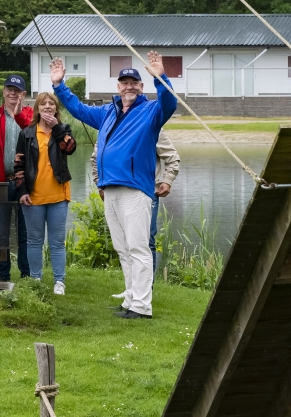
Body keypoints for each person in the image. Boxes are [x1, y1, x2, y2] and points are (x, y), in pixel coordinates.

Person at [51, 53, 177, 319]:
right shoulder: (107, 112)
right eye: (124, 82)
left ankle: (143, 306)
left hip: (135, 190)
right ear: (118, 87)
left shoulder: (151, 112)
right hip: (110, 190)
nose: (129, 86)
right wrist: (60, 86)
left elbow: (169, 102)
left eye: (134, 83)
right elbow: (78, 110)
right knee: (123, 248)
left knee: (139, 248)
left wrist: (161, 77)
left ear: (141, 87)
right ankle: (130, 300)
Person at [91, 129, 180, 274]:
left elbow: (172, 157)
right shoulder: (110, 125)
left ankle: (146, 289)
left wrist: (167, 180)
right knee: (123, 242)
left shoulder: (151, 125)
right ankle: (131, 287)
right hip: (115, 192)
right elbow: (96, 159)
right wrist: (100, 184)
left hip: (147, 191)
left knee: (145, 240)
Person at [14, 92, 77, 295]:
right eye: (44, 104)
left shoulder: (63, 130)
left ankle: (60, 281)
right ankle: (36, 278)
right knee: (34, 240)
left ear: (56, 109)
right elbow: (19, 164)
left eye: (52, 104)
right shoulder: (27, 133)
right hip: (34, 195)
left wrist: (57, 128)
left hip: (58, 195)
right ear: (38, 109)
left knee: (57, 241)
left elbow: (70, 148)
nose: (48, 107)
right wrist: (22, 190)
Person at [0, 74, 34, 282]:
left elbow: (34, 137)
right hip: (0, 180)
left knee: (26, 231)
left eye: (17, 90)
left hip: (24, 181)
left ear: (23, 94)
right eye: (9, 89)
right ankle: (3, 275)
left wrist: (19, 115)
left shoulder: (31, 114)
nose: (13, 93)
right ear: (3, 92)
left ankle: (26, 274)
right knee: (1, 231)